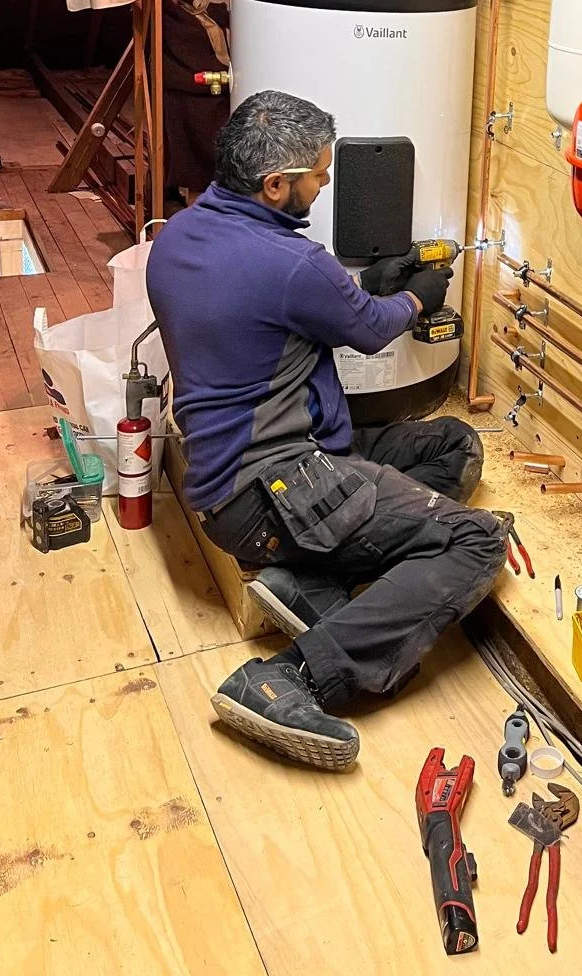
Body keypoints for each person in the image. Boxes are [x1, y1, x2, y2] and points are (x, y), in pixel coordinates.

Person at [146, 89, 507, 771]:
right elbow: (368, 329)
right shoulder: (293, 265)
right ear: (275, 185)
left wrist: (368, 281)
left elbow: (271, 312)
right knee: (476, 540)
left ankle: (304, 583)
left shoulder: (179, 236)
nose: (327, 179)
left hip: (235, 477)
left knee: (451, 445)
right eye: (317, 172)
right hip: (275, 490)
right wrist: (414, 297)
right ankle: (291, 677)